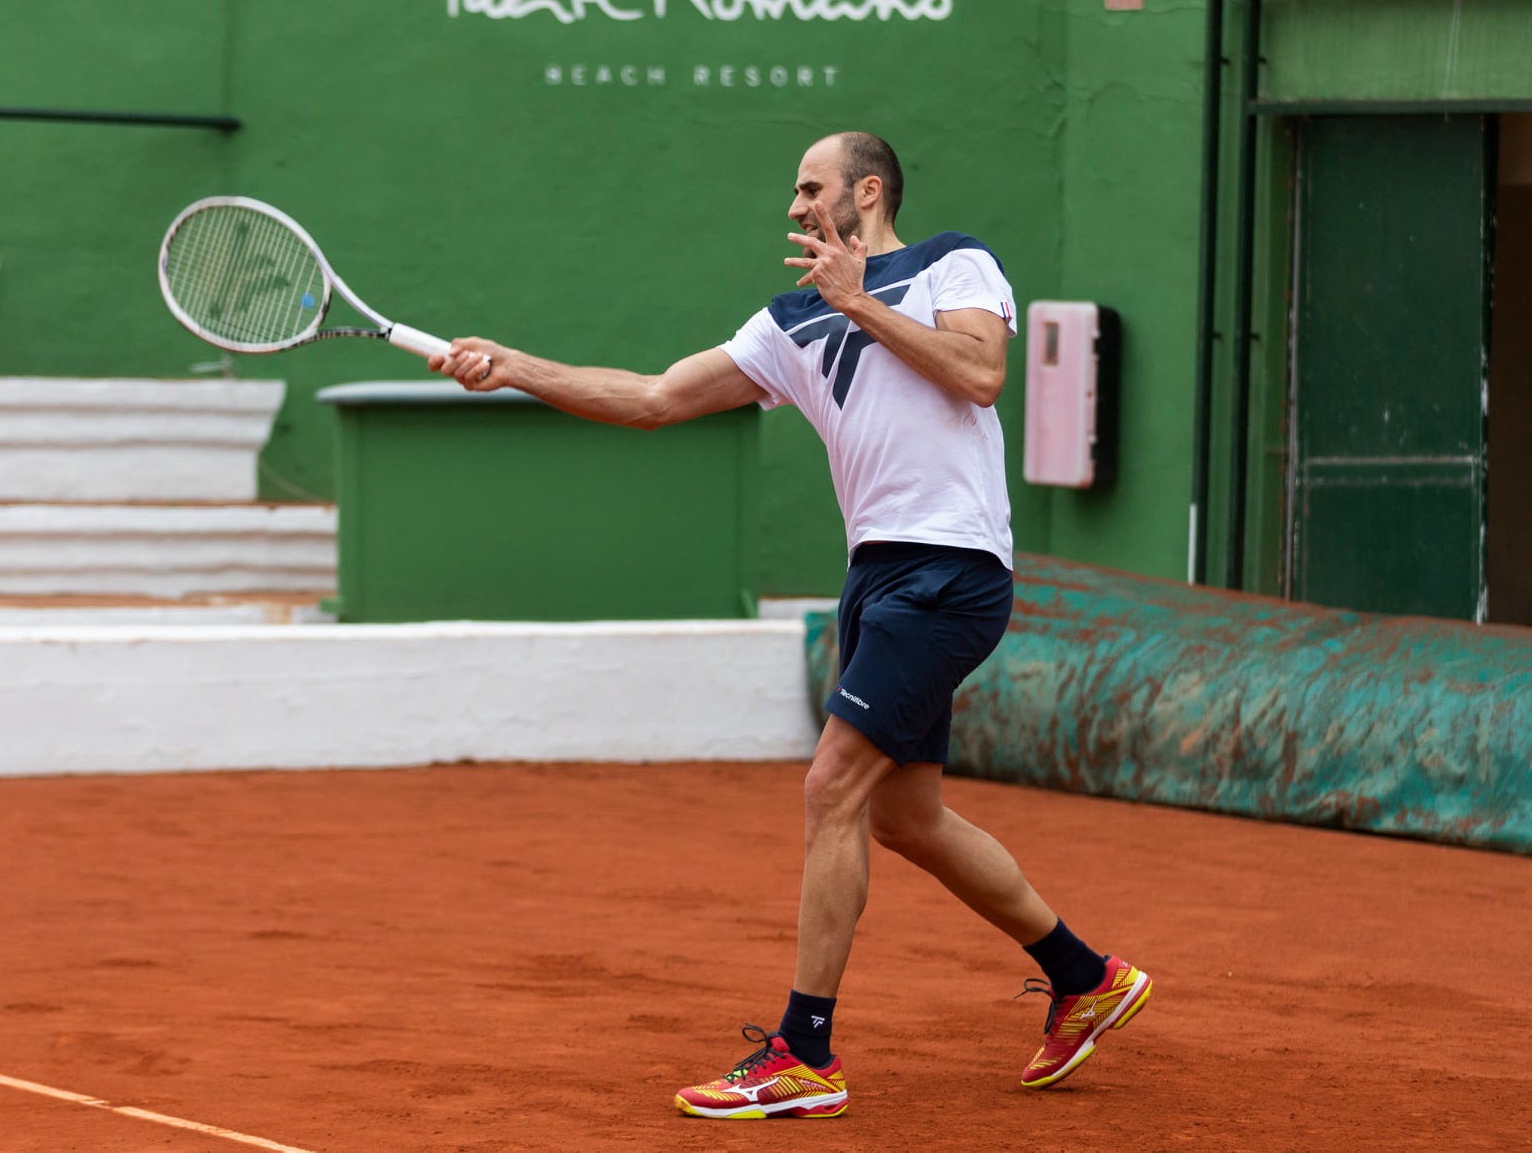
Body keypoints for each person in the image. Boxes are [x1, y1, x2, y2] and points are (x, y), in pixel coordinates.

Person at [429, 131, 1152, 1118]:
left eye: (811, 188)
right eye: (793, 192)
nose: (796, 205)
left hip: (951, 566)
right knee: (902, 814)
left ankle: (803, 1050)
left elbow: (981, 376)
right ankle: (1085, 977)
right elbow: (652, 399)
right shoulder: (788, 322)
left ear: (867, 189)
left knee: (831, 787)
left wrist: (860, 300)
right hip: (877, 576)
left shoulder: (952, 262)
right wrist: (517, 366)